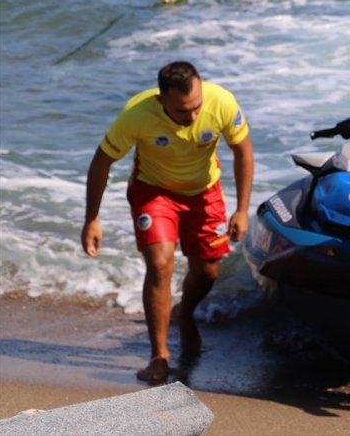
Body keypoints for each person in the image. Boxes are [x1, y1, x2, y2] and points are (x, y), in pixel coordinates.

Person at [81, 61, 254, 384]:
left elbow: (242, 150)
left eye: (195, 108)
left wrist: (242, 209)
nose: (191, 117)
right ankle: (159, 356)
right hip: (154, 192)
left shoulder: (222, 102)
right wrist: (92, 218)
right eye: (181, 111)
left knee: (207, 272)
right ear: (162, 101)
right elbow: (102, 161)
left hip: (204, 192)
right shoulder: (137, 114)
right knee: (160, 263)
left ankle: (185, 314)